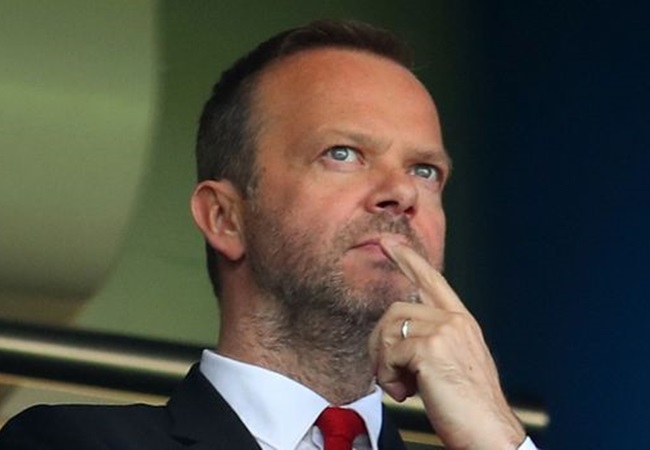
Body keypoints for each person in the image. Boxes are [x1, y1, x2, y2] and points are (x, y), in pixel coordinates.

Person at [0, 20, 538, 449]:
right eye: (343, 154)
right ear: (225, 218)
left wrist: (499, 439)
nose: (402, 192)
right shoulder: (70, 441)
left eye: (425, 170)